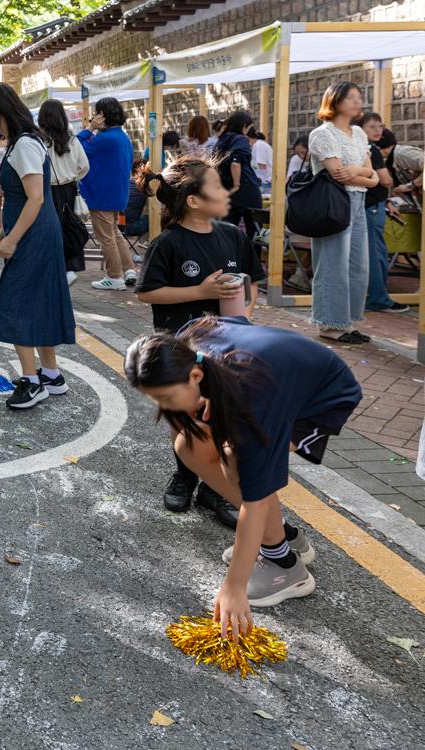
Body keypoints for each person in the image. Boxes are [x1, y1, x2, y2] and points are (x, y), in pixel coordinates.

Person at [125, 317, 362, 635]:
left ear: (196, 375)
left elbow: (255, 497)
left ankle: (285, 566)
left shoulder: (253, 401)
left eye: (166, 398)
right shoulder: (181, 345)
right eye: (154, 399)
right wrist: (208, 398)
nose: (161, 406)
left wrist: (233, 587)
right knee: (190, 445)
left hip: (320, 398)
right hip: (277, 381)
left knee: (237, 461)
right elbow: (237, 321)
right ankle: (286, 538)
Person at [134, 154, 266, 525]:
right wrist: (200, 290)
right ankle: (185, 474)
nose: (223, 190)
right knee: (187, 417)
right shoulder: (169, 244)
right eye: (215, 185)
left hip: (228, 347)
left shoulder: (233, 236)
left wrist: (245, 314)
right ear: (194, 200)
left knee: (221, 415)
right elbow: (148, 293)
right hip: (182, 348)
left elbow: (251, 281)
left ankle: (213, 486)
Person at [0, 82, 75, 410]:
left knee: (17, 304)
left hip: (33, 236)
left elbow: (36, 197)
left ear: (2, 113)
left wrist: (11, 238)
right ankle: (50, 373)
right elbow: (29, 198)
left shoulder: (24, 144)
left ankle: (31, 381)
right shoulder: (22, 143)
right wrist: (2, 234)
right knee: (39, 301)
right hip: (36, 232)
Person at [308, 82, 379, 343]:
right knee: (332, 263)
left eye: (359, 97)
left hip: (358, 200)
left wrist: (357, 172)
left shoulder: (359, 133)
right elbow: (338, 174)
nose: (357, 102)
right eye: (351, 97)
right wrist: (363, 174)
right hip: (334, 202)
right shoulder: (322, 134)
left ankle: (346, 321)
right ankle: (329, 324)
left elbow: (372, 176)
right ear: (335, 101)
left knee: (358, 265)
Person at [78, 97, 138, 290]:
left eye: (97, 113)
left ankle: (114, 277)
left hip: (101, 194)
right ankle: (129, 269)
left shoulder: (104, 139)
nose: (94, 117)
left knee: (106, 237)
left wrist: (90, 129)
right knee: (114, 233)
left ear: (103, 116)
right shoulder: (122, 137)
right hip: (116, 193)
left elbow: (76, 148)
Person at [359, 114, 410, 314]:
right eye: (372, 127)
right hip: (371, 206)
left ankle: (371, 296)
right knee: (376, 253)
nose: (378, 130)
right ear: (360, 128)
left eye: (380, 126)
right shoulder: (372, 150)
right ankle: (379, 298)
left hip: (363, 204)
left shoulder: (354, 147)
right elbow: (386, 181)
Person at [36, 98, 89, 285]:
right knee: (70, 226)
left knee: (48, 230)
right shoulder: (71, 139)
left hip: (45, 189)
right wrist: (74, 177)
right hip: (69, 189)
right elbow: (84, 166)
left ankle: (52, 271)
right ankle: (69, 268)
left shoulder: (39, 140)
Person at [213, 111, 262, 242]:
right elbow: (236, 162)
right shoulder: (240, 139)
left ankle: (228, 259)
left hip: (226, 190)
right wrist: (236, 184)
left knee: (226, 230)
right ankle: (253, 261)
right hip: (246, 189)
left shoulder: (221, 139)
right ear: (244, 126)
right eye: (250, 127)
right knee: (255, 231)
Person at [123, 157, 150, 239]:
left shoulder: (126, 182)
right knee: (154, 218)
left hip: (116, 220)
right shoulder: (145, 185)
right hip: (130, 223)